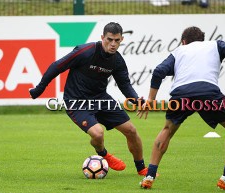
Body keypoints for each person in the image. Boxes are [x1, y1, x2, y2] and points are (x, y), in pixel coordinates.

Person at [137, 26, 225, 191]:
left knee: (167, 130)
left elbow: (158, 71)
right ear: (202, 40)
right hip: (208, 93)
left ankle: (150, 175)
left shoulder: (179, 51)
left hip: (180, 95)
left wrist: (150, 99)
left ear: (183, 41)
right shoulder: (214, 45)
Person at [29, 22, 149, 176]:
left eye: (117, 40)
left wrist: (137, 101)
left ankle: (142, 169)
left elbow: (125, 85)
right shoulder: (85, 51)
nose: (113, 44)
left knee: (131, 130)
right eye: (109, 39)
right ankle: (104, 154)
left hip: (100, 98)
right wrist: (39, 89)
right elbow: (57, 66)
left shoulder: (117, 60)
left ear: (122, 40)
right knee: (98, 133)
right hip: (76, 101)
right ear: (102, 37)